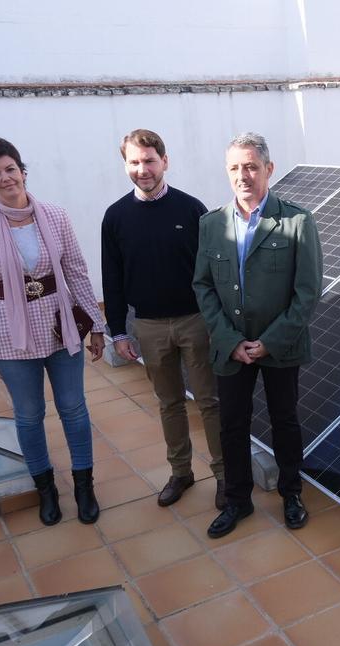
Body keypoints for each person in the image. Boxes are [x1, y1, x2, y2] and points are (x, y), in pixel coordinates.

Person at [0, 136, 106, 527]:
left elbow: (76, 271)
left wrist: (96, 324)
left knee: (73, 407)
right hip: (10, 334)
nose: (5, 178)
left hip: (60, 325)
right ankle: (46, 489)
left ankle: (84, 486)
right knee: (28, 414)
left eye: (10, 169)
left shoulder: (55, 215)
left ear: (22, 171)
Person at [193, 132, 323, 538]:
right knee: (232, 424)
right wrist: (230, 341)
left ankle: (292, 493)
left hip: (280, 346)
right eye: (235, 167)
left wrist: (270, 341)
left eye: (251, 166)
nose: (243, 175)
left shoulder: (297, 221)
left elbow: (307, 292)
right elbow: (203, 286)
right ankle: (237, 500)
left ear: (269, 169)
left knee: (285, 420)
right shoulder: (211, 224)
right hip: (230, 348)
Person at [101, 129, 224, 508]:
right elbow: (112, 278)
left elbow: (214, 270)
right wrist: (118, 332)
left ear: (165, 161)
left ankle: (225, 474)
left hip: (195, 322)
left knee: (209, 402)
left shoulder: (191, 209)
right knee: (169, 403)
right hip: (149, 327)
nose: (143, 169)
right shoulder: (116, 217)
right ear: (125, 165)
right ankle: (181, 472)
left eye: (150, 161)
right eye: (134, 162)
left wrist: (219, 321)